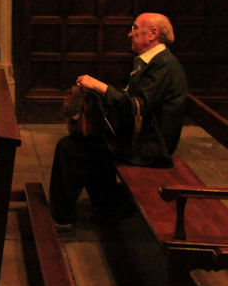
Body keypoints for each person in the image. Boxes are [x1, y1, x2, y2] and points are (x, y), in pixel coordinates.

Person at [48, 12, 187, 230]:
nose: (129, 33)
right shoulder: (152, 63)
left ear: (153, 34)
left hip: (150, 147)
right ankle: (108, 207)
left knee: (71, 149)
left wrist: (99, 87)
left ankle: (63, 217)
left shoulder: (164, 65)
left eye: (135, 28)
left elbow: (135, 106)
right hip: (137, 138)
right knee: (86, 145)